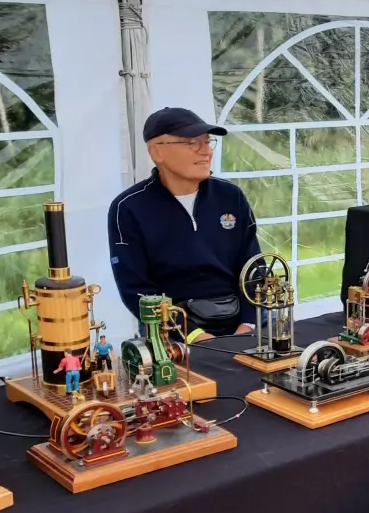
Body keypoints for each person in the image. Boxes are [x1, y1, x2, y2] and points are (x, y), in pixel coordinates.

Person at [109, 107, 260, 343]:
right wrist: (194, 336)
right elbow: (136, 289)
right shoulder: (129, 208)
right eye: (192, 143)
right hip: (172, 333)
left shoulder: (231, 196)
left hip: (240, 324)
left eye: (207, 142)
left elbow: (254, 268)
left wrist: (249, 324)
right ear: (157, 151)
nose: (206, 151)